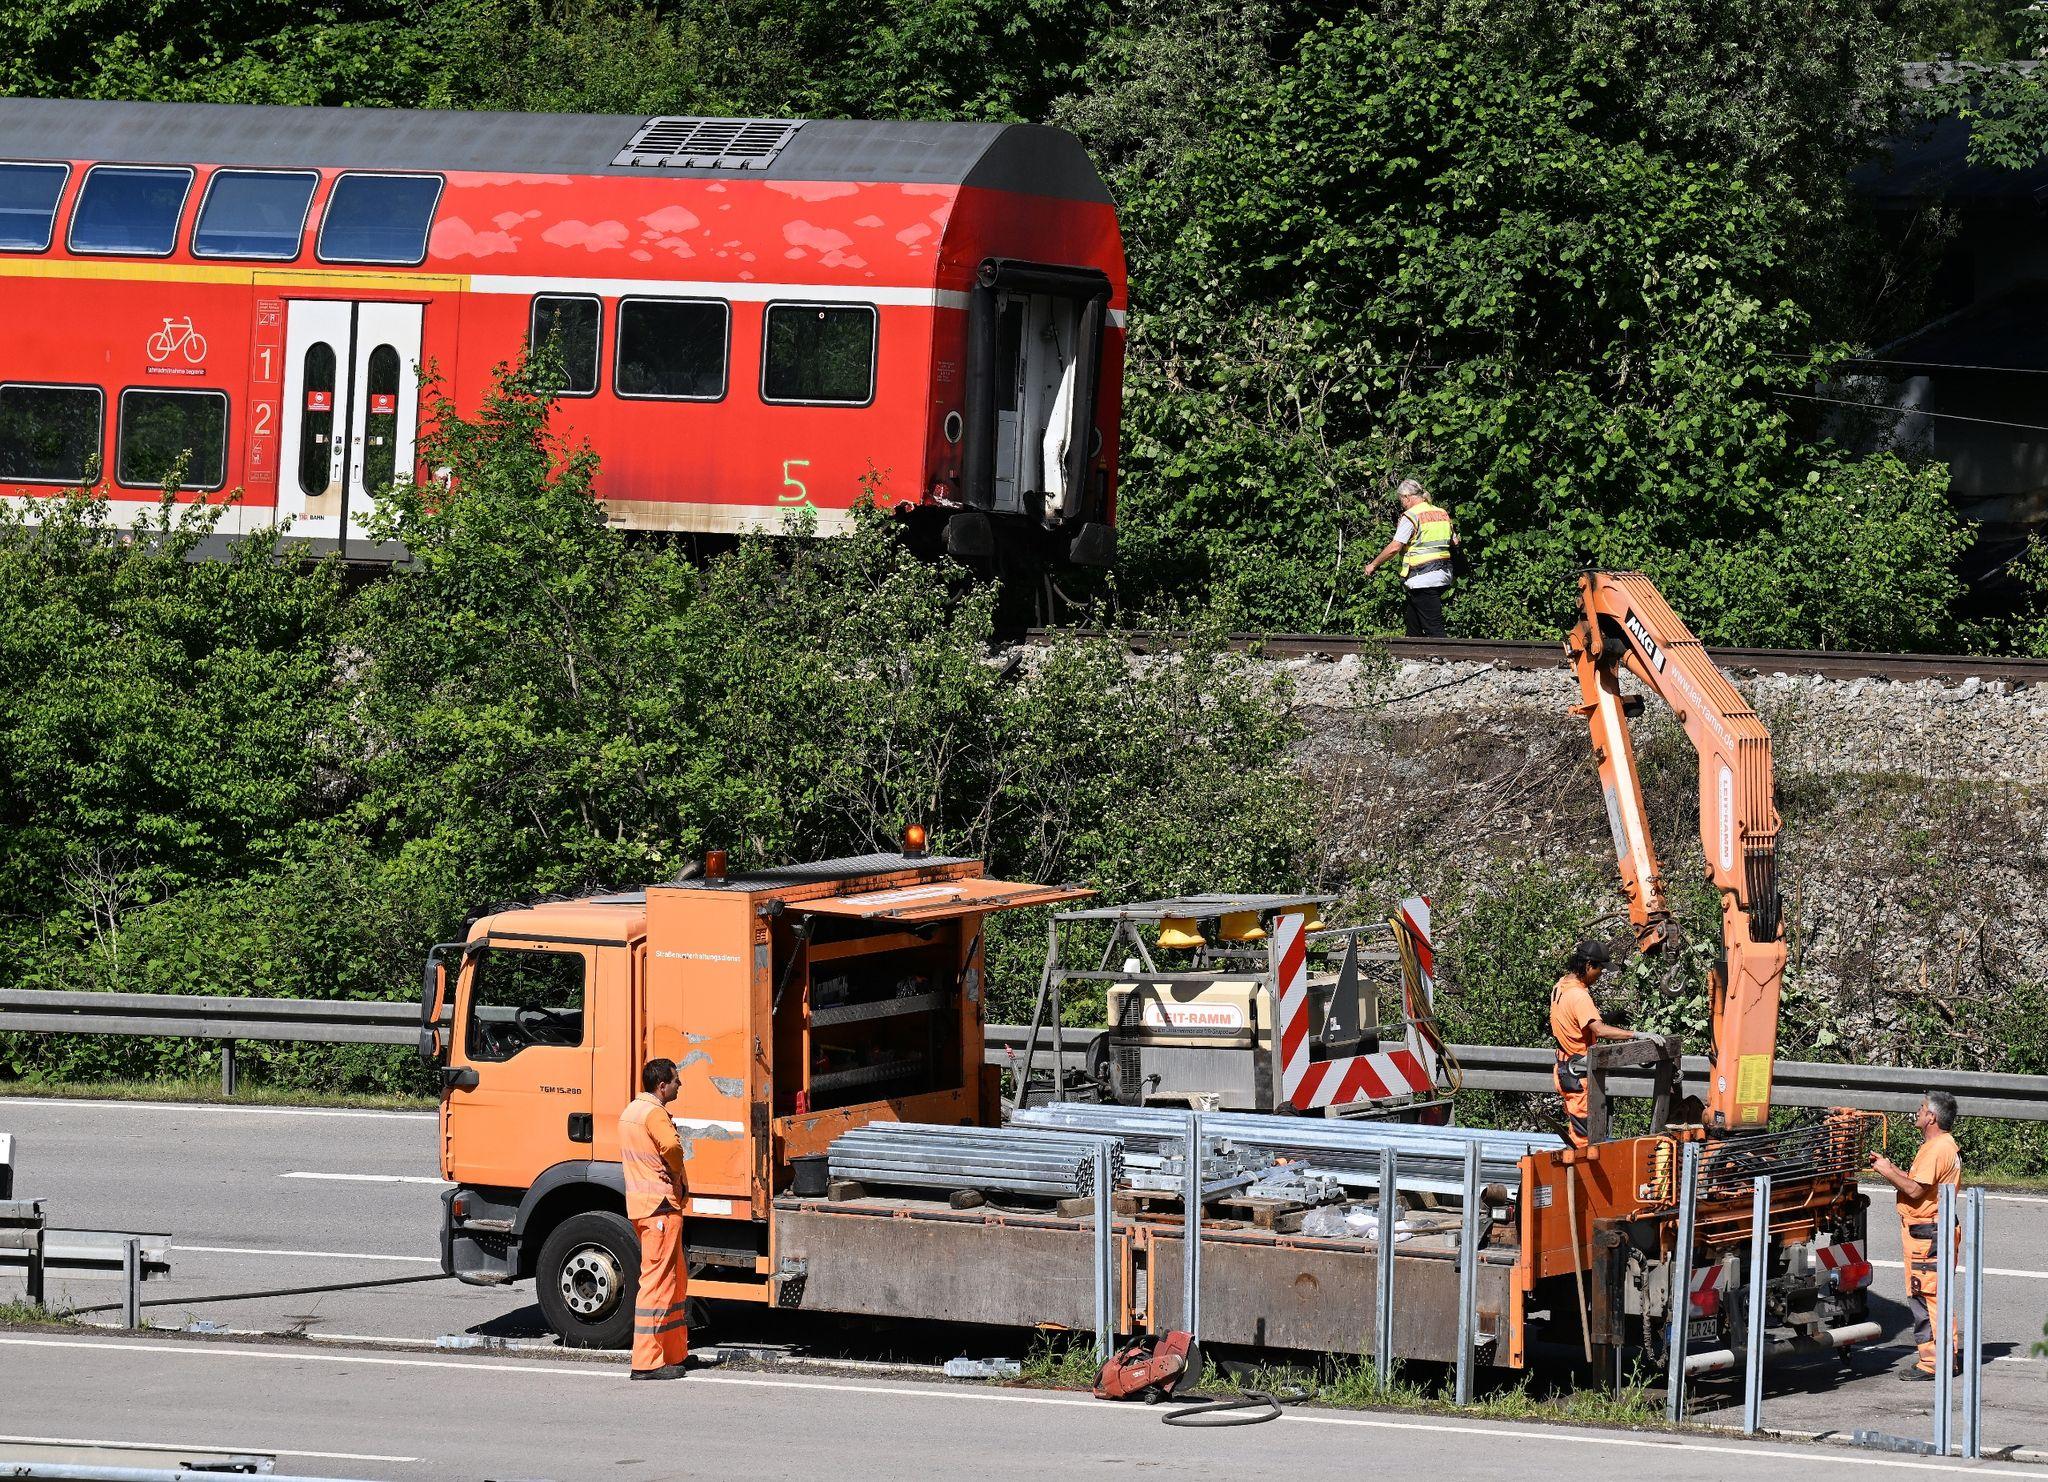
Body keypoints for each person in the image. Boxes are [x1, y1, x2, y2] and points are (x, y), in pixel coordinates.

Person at [1870, 1092, 1964, 1380]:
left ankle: (1936, 1363)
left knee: (1928, 1296)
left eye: (1921, 1108)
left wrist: (1887, 1172)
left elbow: (1915, 1191)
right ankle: (1942, 1357)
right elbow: (1918, 1184)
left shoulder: (1937, 1149)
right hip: (1929, 1230)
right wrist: (1892, 1167)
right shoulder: (1940, 1145)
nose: (1917, 1111)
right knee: (1927, 1294)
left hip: (1928, 1233)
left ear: (1931, 1117)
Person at [619, 1057, 691, 1380]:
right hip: (660, 1206)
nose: (680, 1085)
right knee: (658, 1284)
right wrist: (676, 1172)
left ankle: (672, 1353)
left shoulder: (631, 1112)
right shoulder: (654, 1114)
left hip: (645, 1207)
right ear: (662, 1086)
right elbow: (673, 1148)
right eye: (676, 1081)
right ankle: (647, 1362)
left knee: (672, 1282)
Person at [1549, 939, 1638, 1148]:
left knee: (1578, 1132)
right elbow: (1598, 1030)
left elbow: (1574, 1021)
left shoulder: (1561, 985)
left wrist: (1609, 1016)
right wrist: (1635, 1034)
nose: (1601, 975)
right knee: (1586, 1141)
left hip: (1564, 1068)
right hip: (1579, 1074)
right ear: (1589, 965)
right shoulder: (1580, 996)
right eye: (1600, 970)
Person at [1361, 478, 1459, 638]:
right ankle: (1412, 653)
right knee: (1414, 623)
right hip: (1444, 574)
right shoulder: (1441, 513)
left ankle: (1445, 657)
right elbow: (1455, 541)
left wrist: (1373, 565)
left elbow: (1394, 547)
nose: (1402, 504)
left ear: (1407, 497)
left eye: (1401, 500)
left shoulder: (1411, 516)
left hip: (1423, 578)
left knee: (1434, 628)